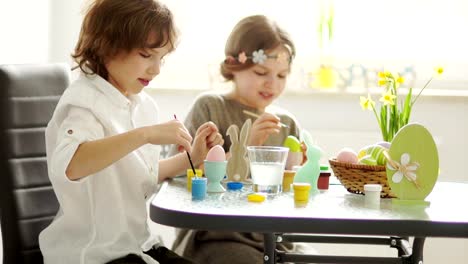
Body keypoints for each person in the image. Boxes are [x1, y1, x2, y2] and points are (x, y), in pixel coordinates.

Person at [38, 0, 223, 263]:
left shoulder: (141, 104)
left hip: (137, 246)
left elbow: (136, 173)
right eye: (146, 55)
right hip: (93, 254)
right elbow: (70, 165)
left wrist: (192, 157)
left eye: (162, 58)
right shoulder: (82, 102)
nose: (156, 69)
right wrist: (146, 134)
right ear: (106, 45)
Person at [170, 15, 312, 264]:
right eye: (261, 72)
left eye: (282, 76)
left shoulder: (287, 123)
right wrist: (245, 146)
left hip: (275, 238)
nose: (272, 83)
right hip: (216, 236)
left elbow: (295, 189)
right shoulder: (210, 108)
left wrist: (302, 168)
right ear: (234, 66)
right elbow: (186, 176)